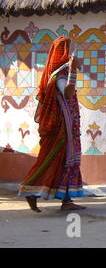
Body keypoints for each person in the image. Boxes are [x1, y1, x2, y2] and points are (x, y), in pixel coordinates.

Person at [18, 36, 86, 212]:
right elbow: (68, 93)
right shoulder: (60, 76)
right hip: (61, 129)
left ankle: (66, 200)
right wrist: (74, 70)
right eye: (69, 49)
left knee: (66, 161)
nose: (72, 52)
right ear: (63, 53)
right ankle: (30, 191)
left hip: (68, 126)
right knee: (56, 159)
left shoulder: (58, 74)